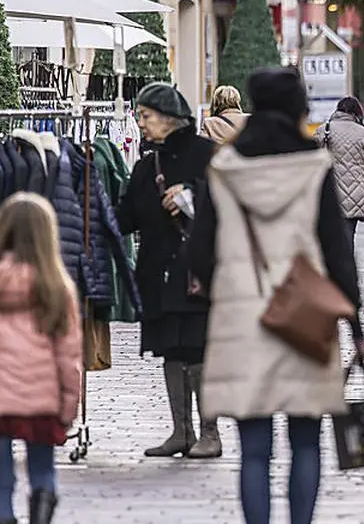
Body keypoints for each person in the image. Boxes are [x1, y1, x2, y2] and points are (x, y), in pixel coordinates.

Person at [188, 67, 364, 524]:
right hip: (305, 317)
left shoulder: (224, 169)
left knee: (254, 448)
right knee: (305, 441)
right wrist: (356, 325)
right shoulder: (313, 166)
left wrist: (222, 292)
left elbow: (198, 248)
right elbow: (337, 254)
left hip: (243, 317)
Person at [116, 82, 219, 459]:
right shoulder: (146, 164)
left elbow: (232, 203)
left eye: (145, 116)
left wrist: (192, 194)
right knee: (170, 350)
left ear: (169, 118)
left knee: (197, 349)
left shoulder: (208, 154)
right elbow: (127, 218)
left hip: (197, 273)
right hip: (158, 274)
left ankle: (210, 432)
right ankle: (182, 431)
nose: (140, 123)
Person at [0, 194, 81, 524]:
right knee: (42, 471)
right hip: (40, 401)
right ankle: (41, 512)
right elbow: (69, 356)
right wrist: (68, 407)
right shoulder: (55, 287)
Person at [313, 97, 364, 243]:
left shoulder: (323, 130)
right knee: (348, 234)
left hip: (329, 191)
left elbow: (311, 160)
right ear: (357, 112)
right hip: (357, 192)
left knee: (329, 237)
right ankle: (346, 261)